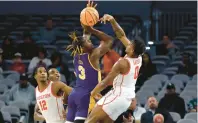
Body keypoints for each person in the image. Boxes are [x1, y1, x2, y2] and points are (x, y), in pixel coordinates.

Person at [85, 14, 145, 123]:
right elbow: (121, 35)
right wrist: (112, 21)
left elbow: (105, 82)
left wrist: (92, 93)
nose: (128, 43)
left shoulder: (123, 63)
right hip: (126, 100)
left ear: (132, 50)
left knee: (90, 120)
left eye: (131, 44)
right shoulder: (138, 57)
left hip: (118, 95)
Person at [65, 1, 113, 123]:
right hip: (85, 97)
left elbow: (85, 36)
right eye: (88, 43)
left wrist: (87, 20)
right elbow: (109, 41)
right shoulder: (93, 55)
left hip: (74, 95)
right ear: (84, 47)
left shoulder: (77, 54)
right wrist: (92, 29)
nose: (91, 42)